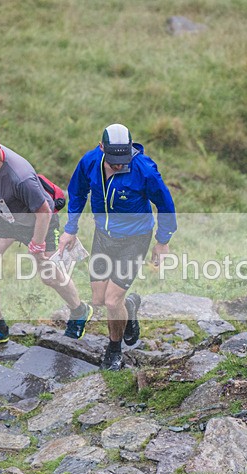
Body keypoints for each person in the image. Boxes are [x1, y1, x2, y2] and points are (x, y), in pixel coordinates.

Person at [58, 124, 177, 371]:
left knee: (112, 301)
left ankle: (114, 350)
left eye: (123, 159)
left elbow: (165, 204)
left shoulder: (144, 169)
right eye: (114, 160)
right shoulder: (90, 162)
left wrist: (162, 241)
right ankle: (130, 308)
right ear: (101, 148)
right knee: (99, 299)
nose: (120, 165)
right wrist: (71, 228)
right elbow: (77, 193)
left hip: (135, 239)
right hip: (103, 236)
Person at [0, 122, 93, 350]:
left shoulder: (20, 175)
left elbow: (44, 211)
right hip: (5, 217)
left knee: (48, 276)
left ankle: (80, 310)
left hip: (38, 221)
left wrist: (37, 242)